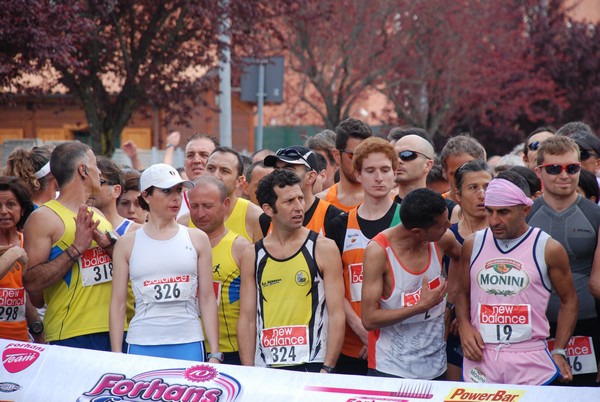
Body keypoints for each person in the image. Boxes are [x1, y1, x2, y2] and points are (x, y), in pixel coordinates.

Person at [456, 171, 578, 385]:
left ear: (525, 209)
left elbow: (569, 301)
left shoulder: (548, 248)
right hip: (482, 357)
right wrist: (465, 326)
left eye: (503, 212)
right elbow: (462, 293)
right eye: (490, 211)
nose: (494, 221)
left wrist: (559, 349)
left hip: (529, 357)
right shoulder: (472, 244)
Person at [109, 163, 221, 362]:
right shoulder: (127, 243)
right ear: (146, 195)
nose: (176, 197)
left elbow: (206, 298)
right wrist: (116, 355)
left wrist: (215, 352)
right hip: (142, 342)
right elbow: (118, 303)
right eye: (167, 191)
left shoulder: (197, 238)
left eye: (178, 190)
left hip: (189, 341)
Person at [237, 169, 345, 372]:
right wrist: (248, 371)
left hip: (313, 364)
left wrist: (328, 368)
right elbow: (247, 318)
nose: (299, 207)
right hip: (267, 366)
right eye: (289, 202)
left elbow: (337, 314)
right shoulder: (252, 254)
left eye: (300, 199)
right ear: (268, 209)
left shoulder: (324, 248)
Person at [23, 142, 119, 351]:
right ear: (82, 170)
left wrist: (110, 247)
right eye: (95, 165)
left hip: (115, 328)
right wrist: (75, 249)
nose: (99, 171)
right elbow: (31, 284)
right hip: (72, 332)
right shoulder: (44, 217)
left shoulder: (100, 216)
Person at [361, 188, 461, 379]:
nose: (449, 226)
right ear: (417, 232)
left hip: (435, 364)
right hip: (390, 368)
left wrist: (451, 302)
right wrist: (420, 307)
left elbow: (461, 258)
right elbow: (369, 319)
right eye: (441, 225)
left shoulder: (442, 239)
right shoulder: (379, 252)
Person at [528, 136, 600, 386]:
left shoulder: (596, 215)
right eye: (554, 169)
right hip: (535, 327)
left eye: (572, 168)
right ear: (539, 171)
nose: (564, 175)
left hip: (589, 323)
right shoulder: (525, 214)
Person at [326, 137, 400, 375]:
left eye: (385, 170)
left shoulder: (408, 221)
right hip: (352, 345)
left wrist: (379, 335)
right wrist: (362, 330)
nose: (378, 177)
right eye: (370, 170)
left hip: (398, 344)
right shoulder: (340, 225)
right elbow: (334, 287)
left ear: (395, 173)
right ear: (358, 175)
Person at [188, 175, 252, 365]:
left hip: (229, 351)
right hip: (190, 345)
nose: (200, 214)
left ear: (225, 204)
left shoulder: (241, 248)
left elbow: (251, 312)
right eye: (194, 206)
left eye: (207, 206)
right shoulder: (181, 241)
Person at [444, 160, 493, 381]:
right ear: (457, 195)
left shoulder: (506, 237)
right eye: (473, 188)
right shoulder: (446, 237)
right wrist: (457, 314)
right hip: (452, 334)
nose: (482, 194)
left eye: (487, 187)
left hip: (499, 331)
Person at [261, 146, 343, 237]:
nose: (280, 175)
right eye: (276, 170)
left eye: (289, 170)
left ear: (310, 177)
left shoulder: (333, 218)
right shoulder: (267, 217)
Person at [0, 177, 40, 342]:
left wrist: (39, 334)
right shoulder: (18, 251)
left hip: (19, 342)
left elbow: (30, 297)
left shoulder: (28, 242)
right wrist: (14, 254)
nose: (3, 211)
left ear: (22, 209)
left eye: (10, 204)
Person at [200, 146, 263, 243]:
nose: (215, 175)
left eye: (224, 171)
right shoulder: (186, 221)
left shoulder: (256, 218)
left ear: (239, 181)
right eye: (211, 168)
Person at [394, 134, 461, 223]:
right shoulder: (382, 208)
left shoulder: (449, 210)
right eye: (393, 156)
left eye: (407, 155)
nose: (398, 161)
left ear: (428, 165)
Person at [316, 118, 372, 212]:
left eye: (366, 154)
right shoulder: (320, 204)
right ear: (337, 155)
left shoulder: (389, 201)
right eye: (353, 155)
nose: (361, 161)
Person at [95, 157, 142, 235]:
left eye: (99, 182)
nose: (131, 210)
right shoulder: (76, 226)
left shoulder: (139, 233)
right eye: (85, 182)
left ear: (116, 190)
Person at [178, 133, 219, 219]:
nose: (196, 160)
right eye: (190, 155)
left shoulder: (229, 203)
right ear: (184, 164)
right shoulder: (173, 204)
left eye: (203, 155)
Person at [439, 134, 486, 203]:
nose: (463, 180)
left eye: (469, 173)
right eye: (456, 174)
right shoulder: (436, 209)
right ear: (444, 173)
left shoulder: (495, 207)